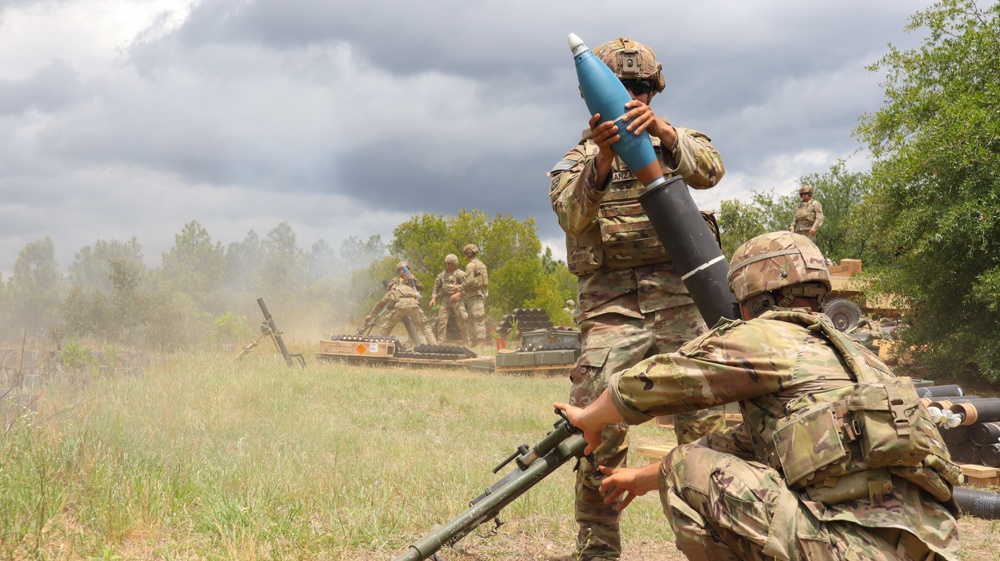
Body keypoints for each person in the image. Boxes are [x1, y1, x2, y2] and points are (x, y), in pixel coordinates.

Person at [556, 231, 961, 561]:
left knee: (684, 465)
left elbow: (652, 382)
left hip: (850, 549)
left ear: (754, 297)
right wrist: (640, 479)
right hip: (925, 548)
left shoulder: (768, 336)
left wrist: (589, 418)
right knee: (698, 458)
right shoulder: (859, 359)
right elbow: (741, 445)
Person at [547, 36, 727, 560]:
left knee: (708, 426)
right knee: (596, 425)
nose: (632, 95)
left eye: (641, 87)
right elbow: (571, 216)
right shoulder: (577, 159)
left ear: (655, 90)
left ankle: (714, 542)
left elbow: (710, 170)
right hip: (613, 305)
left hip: (681, 298)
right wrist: (603, 160)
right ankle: (598, 548)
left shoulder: (675, 138)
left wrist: (666, 136)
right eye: (621, 86)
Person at [366, 274, 437, 346]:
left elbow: (381, 303)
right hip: (414, 306)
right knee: (425, 326)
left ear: (391, 286)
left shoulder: (393, 290)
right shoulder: (408, 287)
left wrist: (372, 315)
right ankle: (435, 346)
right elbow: (417, 296)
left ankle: (378, 345)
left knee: (387, 326)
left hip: (400, 308)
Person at [451, 244, 488, 346]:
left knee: (477, 318)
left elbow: (469, 281)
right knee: (472, 318)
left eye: (466, 254)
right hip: (478, 294)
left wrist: (458, 288)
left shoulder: (471, 265)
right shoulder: (481, 264)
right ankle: (474, 341)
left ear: (468, 253)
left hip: (475, 294)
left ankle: (480, 342)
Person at [430, 253, 470, 346]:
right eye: (447, 263)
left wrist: (458, 294)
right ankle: (441, 344)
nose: (448, 265)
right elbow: (436, 287)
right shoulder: (441, 275)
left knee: (462, 321)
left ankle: (466, 342)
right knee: (441, 322)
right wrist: (433, 298)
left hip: (457, 301)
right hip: (445, 302)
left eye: (450, 264)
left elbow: (467, 287)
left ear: (455, 264)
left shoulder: (460, 274)